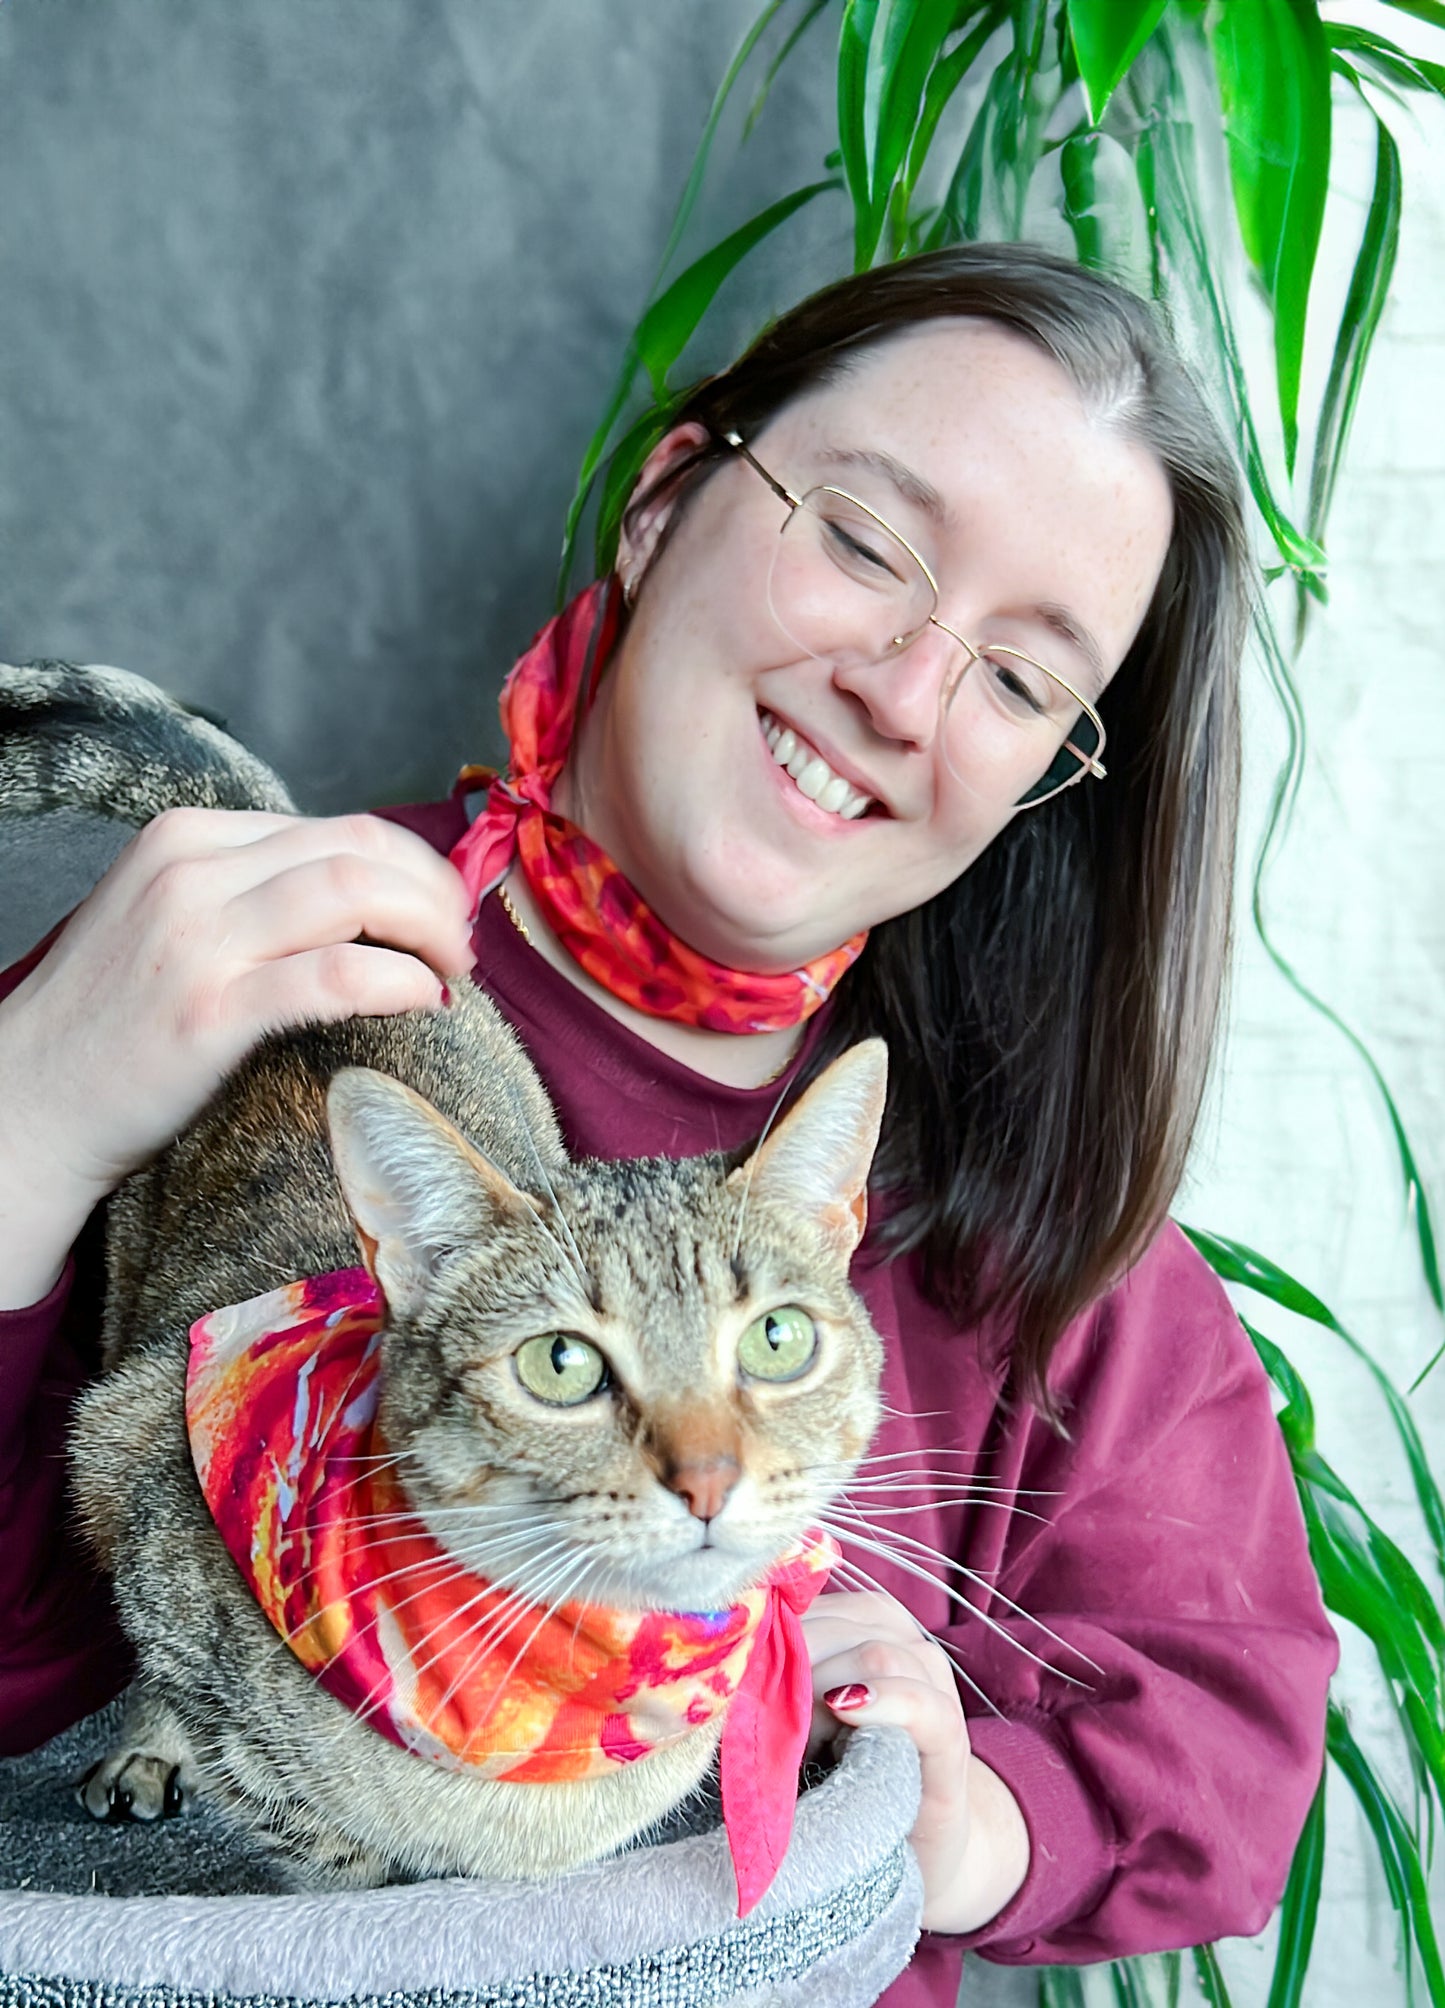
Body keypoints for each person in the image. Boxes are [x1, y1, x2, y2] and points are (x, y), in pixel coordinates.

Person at [0, 244, 1336, 2003]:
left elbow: (1232, 1731)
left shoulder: (1027, 1199)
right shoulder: (231, 954)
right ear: (661, 507)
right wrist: (34, 1110)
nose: (903, 692)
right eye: (865, 542)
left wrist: (975, 1810)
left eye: (1018, 681)